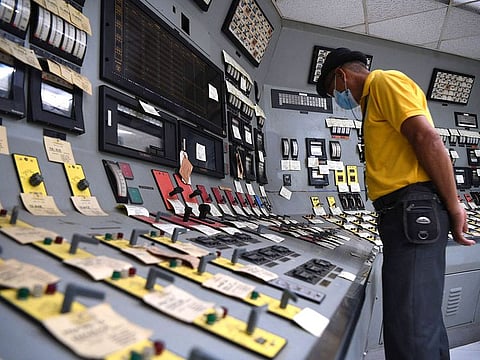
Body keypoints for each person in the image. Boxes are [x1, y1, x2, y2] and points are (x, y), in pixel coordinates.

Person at [315, 48, 476, 360]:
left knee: (410, 327)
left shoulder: (386, 83)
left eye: (333, 91)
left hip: (413, 211)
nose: (338, 98)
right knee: (420, 319)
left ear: (341, 76)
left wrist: (455, 205)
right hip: (404, 215)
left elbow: (427, 139)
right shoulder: (374, 102)